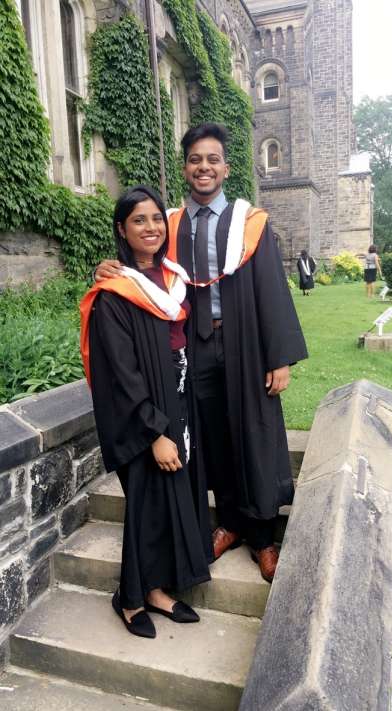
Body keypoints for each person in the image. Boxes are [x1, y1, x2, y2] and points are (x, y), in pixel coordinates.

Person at [94, 123, 308, 583]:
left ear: (225, 168)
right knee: (211, 434)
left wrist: (280, 357)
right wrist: (107, 265)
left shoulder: (250, 224)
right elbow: (142, 265)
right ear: (185, 167)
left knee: (254, 432)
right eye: (195, 159)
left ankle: (263, 535)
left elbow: (272, 290)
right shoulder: (168, 224)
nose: (203, 167)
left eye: (212, 159)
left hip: (245, 344)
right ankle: (229, 521)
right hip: (193, 346)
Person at [80, 185, 211, 639]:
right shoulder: (113, 293)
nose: (151, 227)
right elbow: (120, 371)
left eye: (157, 218)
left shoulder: (173, 278)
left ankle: (157, 590)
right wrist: (155, 431)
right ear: (122, 229)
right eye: (139, 220)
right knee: (144, 504)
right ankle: (131, 598)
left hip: (178, 399)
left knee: (172, 496)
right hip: (141, 415)